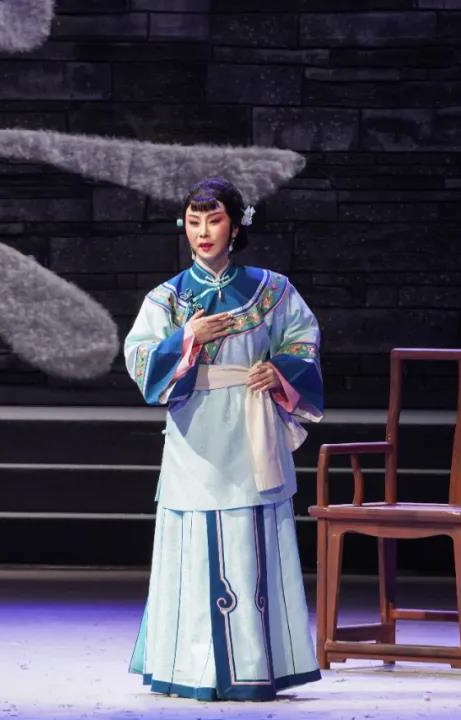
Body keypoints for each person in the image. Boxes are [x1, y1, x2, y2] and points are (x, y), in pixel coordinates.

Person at [125, 177, 323, 701]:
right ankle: (193, 667)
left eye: (213, 220)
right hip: (197, 428)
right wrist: (187, 337)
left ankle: (255, 666)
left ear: (235, 226)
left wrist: (278, 370)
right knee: (194, 542)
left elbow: (303, 340)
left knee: (250, 539)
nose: (203, 232)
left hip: (251, 422)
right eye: (194, 222)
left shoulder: (272, 290)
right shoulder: (168, 297)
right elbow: (140, 358)